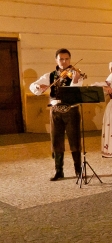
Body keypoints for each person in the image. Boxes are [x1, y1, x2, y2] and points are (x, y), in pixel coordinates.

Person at [29, 48, 84, 181]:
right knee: (56, 141)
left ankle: (78, 170)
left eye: (67, 59)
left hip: (71, 109)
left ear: (70, 60)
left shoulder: (76, 73)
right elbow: (33, 86)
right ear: (56, 60)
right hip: (55, 111)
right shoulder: (50, 75)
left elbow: (76, 90)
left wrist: (76, 79)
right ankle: (59, 171)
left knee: (74, 140)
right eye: (61, 59)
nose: (64, 62)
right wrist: (39, 88)